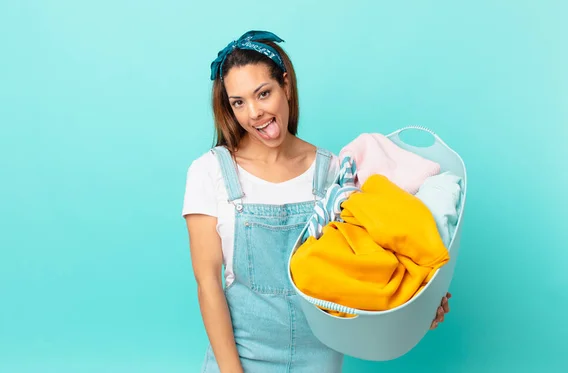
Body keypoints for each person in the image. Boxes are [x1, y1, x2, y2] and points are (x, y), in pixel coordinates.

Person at [182, 30, 451, 373]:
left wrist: (413, 312)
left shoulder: (334, 172)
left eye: (263, 94)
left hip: (321, 361)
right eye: (238, 102)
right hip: (240, 361)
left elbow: (361, 274)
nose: (254, 113)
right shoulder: (211, 172)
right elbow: (208, 284)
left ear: (286, 86)